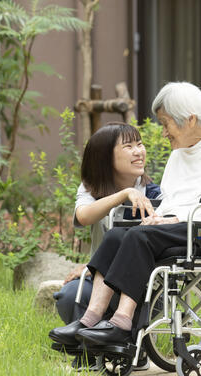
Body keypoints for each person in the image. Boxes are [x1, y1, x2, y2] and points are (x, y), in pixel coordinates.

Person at [49, 81, 201, 348]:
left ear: (189, 119)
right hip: (180, 227)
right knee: (119, 235)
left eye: (166, 124)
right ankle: (89, 320)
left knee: (139, 236)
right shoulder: (179, 154)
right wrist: (161, 217)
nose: (164, 133)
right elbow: (169, 200)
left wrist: (173, 219)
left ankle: (121, 323)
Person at [53, 122, 161, 370]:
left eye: (140, 144)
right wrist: (123, 195)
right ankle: (90, 350)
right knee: (69, 295)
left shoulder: (153, 193)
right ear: (105, 157)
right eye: (129, 146)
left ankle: (132, 346)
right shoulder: (91, 189)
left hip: (141, 288)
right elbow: (84, 216)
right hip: (102, 282)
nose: (139, 151)